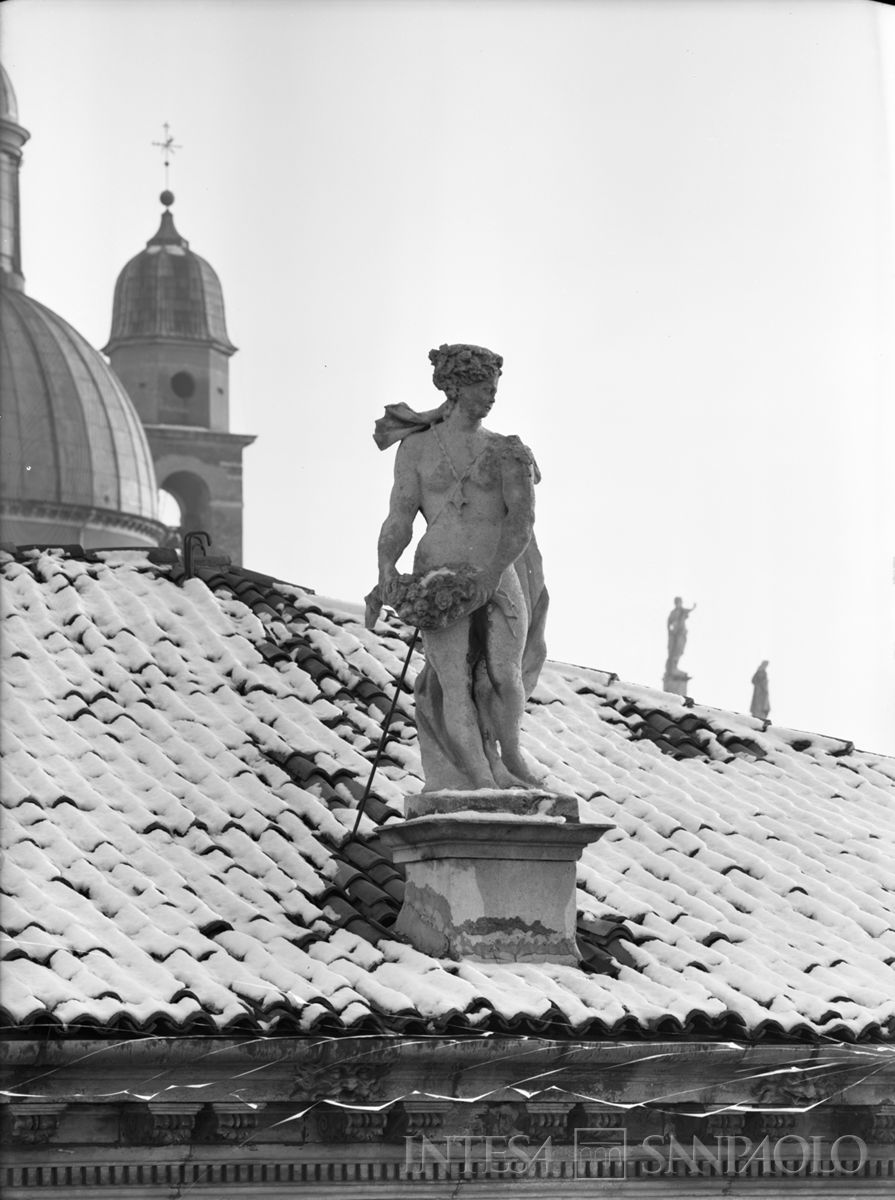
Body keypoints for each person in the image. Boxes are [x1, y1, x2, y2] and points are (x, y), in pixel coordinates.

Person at [370, 344, 548, 792]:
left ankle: (511, 756)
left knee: (504, 676)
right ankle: (480, 777)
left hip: (495, 569)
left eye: (494, 387)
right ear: (454, 388)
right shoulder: (416, 449)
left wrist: (493, 573)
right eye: (482, 386)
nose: (491, 395)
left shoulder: (506, 450)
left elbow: (521, 522)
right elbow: (399, 517)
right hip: (437, 572)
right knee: (454, 681)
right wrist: (386, 569)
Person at [666, 596, 695, 672]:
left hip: (681, 633)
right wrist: (671, 630)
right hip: (675, 634)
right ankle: (672, 667)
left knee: (680, 650)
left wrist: (693, 607)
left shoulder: (682, 611)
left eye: (680, 602)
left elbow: (688, 610)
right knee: (675, 650)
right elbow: (669, 623)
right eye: (678, 602)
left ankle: (674, 667)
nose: (679, 604)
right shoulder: (673, 613)